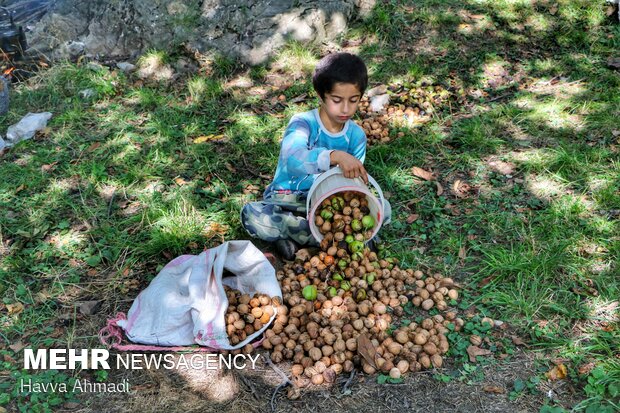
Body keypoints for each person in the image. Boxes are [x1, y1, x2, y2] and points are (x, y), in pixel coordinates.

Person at [240, 52, 391, 260]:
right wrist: (334, 156)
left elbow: (354, 183)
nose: (345, 108)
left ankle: (304, 238)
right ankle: (334, 240)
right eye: (337, 100)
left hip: (330, 201)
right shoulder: (303, 123)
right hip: (291, 198)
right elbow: (293, 159)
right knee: (253, 215)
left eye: (353, 100)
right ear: (321, 95)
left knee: (385, 209)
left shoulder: (356, 136)